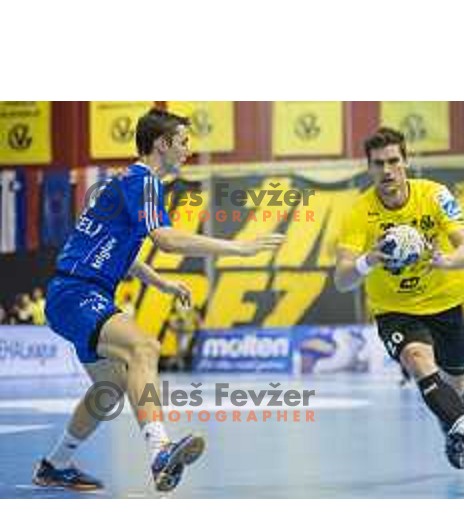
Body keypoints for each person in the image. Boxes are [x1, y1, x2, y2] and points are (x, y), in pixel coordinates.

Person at [34, 108, 284, 492]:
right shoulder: (144, 181)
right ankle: (160, 451)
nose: (188, 149)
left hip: (76, 294)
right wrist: (240, 248)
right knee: (144, 348)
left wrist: (162, 283)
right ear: (161, 144)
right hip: (77, 293)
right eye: (183, 141)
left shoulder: (128, 184)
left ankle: (55, 464)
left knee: (109, 390)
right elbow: (166, 239)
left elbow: (124, 252)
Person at [334, 127, 464, 480]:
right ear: (369, 168)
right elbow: (341, 279)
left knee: (455, 382)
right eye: (378, 164)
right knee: (416, 360)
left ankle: (454, 430)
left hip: (445, 301)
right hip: (395, 310)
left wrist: (449, 261)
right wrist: (368, 259)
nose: (387, 170)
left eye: (393, 161)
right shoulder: (359, 213)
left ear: (405, 162)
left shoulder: (434, 195)